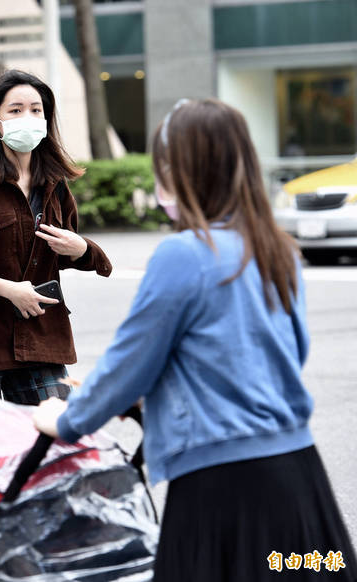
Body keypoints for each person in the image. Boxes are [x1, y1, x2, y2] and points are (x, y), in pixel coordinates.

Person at [32, 99, 356, 581]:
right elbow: (276, 356)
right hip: (301, 484)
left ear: (184, 171)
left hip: (222, 487)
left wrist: (67, 420)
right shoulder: (277, 249)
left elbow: (129, 364)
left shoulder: (184, 255)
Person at [0, 70, 112, 404]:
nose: (27, 117)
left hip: (40, 339)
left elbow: (64, 248)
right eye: (15, 110)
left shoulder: (55, 186)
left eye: (35, 110)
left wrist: (81, 248)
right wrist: (6, 289)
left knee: (52, 441)